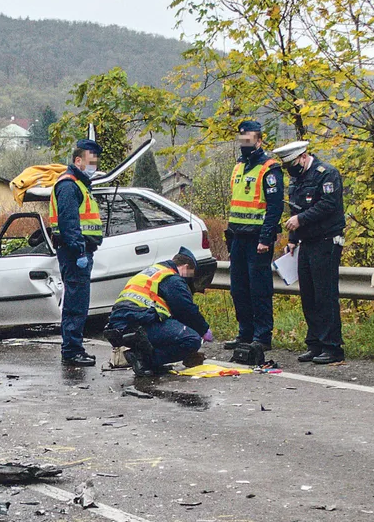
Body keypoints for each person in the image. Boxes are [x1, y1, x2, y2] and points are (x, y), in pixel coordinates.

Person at [276, 140, 346, 364]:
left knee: (325, 295)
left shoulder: (326, 174)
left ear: (303, 157)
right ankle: (315, 343)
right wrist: (293, 240)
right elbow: (296, 209)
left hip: (326, 240)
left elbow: (328, 205)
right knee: (309, 295)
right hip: (306, 242)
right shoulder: (296, 180)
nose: (290, 171)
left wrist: (300, 220)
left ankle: (333, 347)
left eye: (292, 164)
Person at [224, 119, 285, 355]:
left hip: (258, 239)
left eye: (249, 139)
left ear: (259, 140)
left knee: (259, 289)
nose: (244, 143)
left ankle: (262, 336)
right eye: (242, 139)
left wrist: (266, 238)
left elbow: (274, 207)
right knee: (238, 289)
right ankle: (245, 334)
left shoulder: (270, 168)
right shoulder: (239, 166)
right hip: (238, 237)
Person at [105, 247, 214, 377]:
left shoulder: (153, 271)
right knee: (191, 339)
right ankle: (144, 360)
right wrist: (203, 330)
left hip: (119, 324)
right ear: (185, 267)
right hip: (139, 322)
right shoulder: (172, 278)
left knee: (174, 328)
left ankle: (144, 356)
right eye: (190, 274)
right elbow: (185, 309)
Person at [49, 138, 104, 366]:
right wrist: (80, 251)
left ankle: (74, 347)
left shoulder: (78, 184)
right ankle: (72, 350)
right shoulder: (69, 185)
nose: (94, 167)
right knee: (75, 304)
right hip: (74, 254)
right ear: (78, 160)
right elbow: (69, 223)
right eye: (91, 162)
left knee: (78, 302)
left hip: (78, 252)